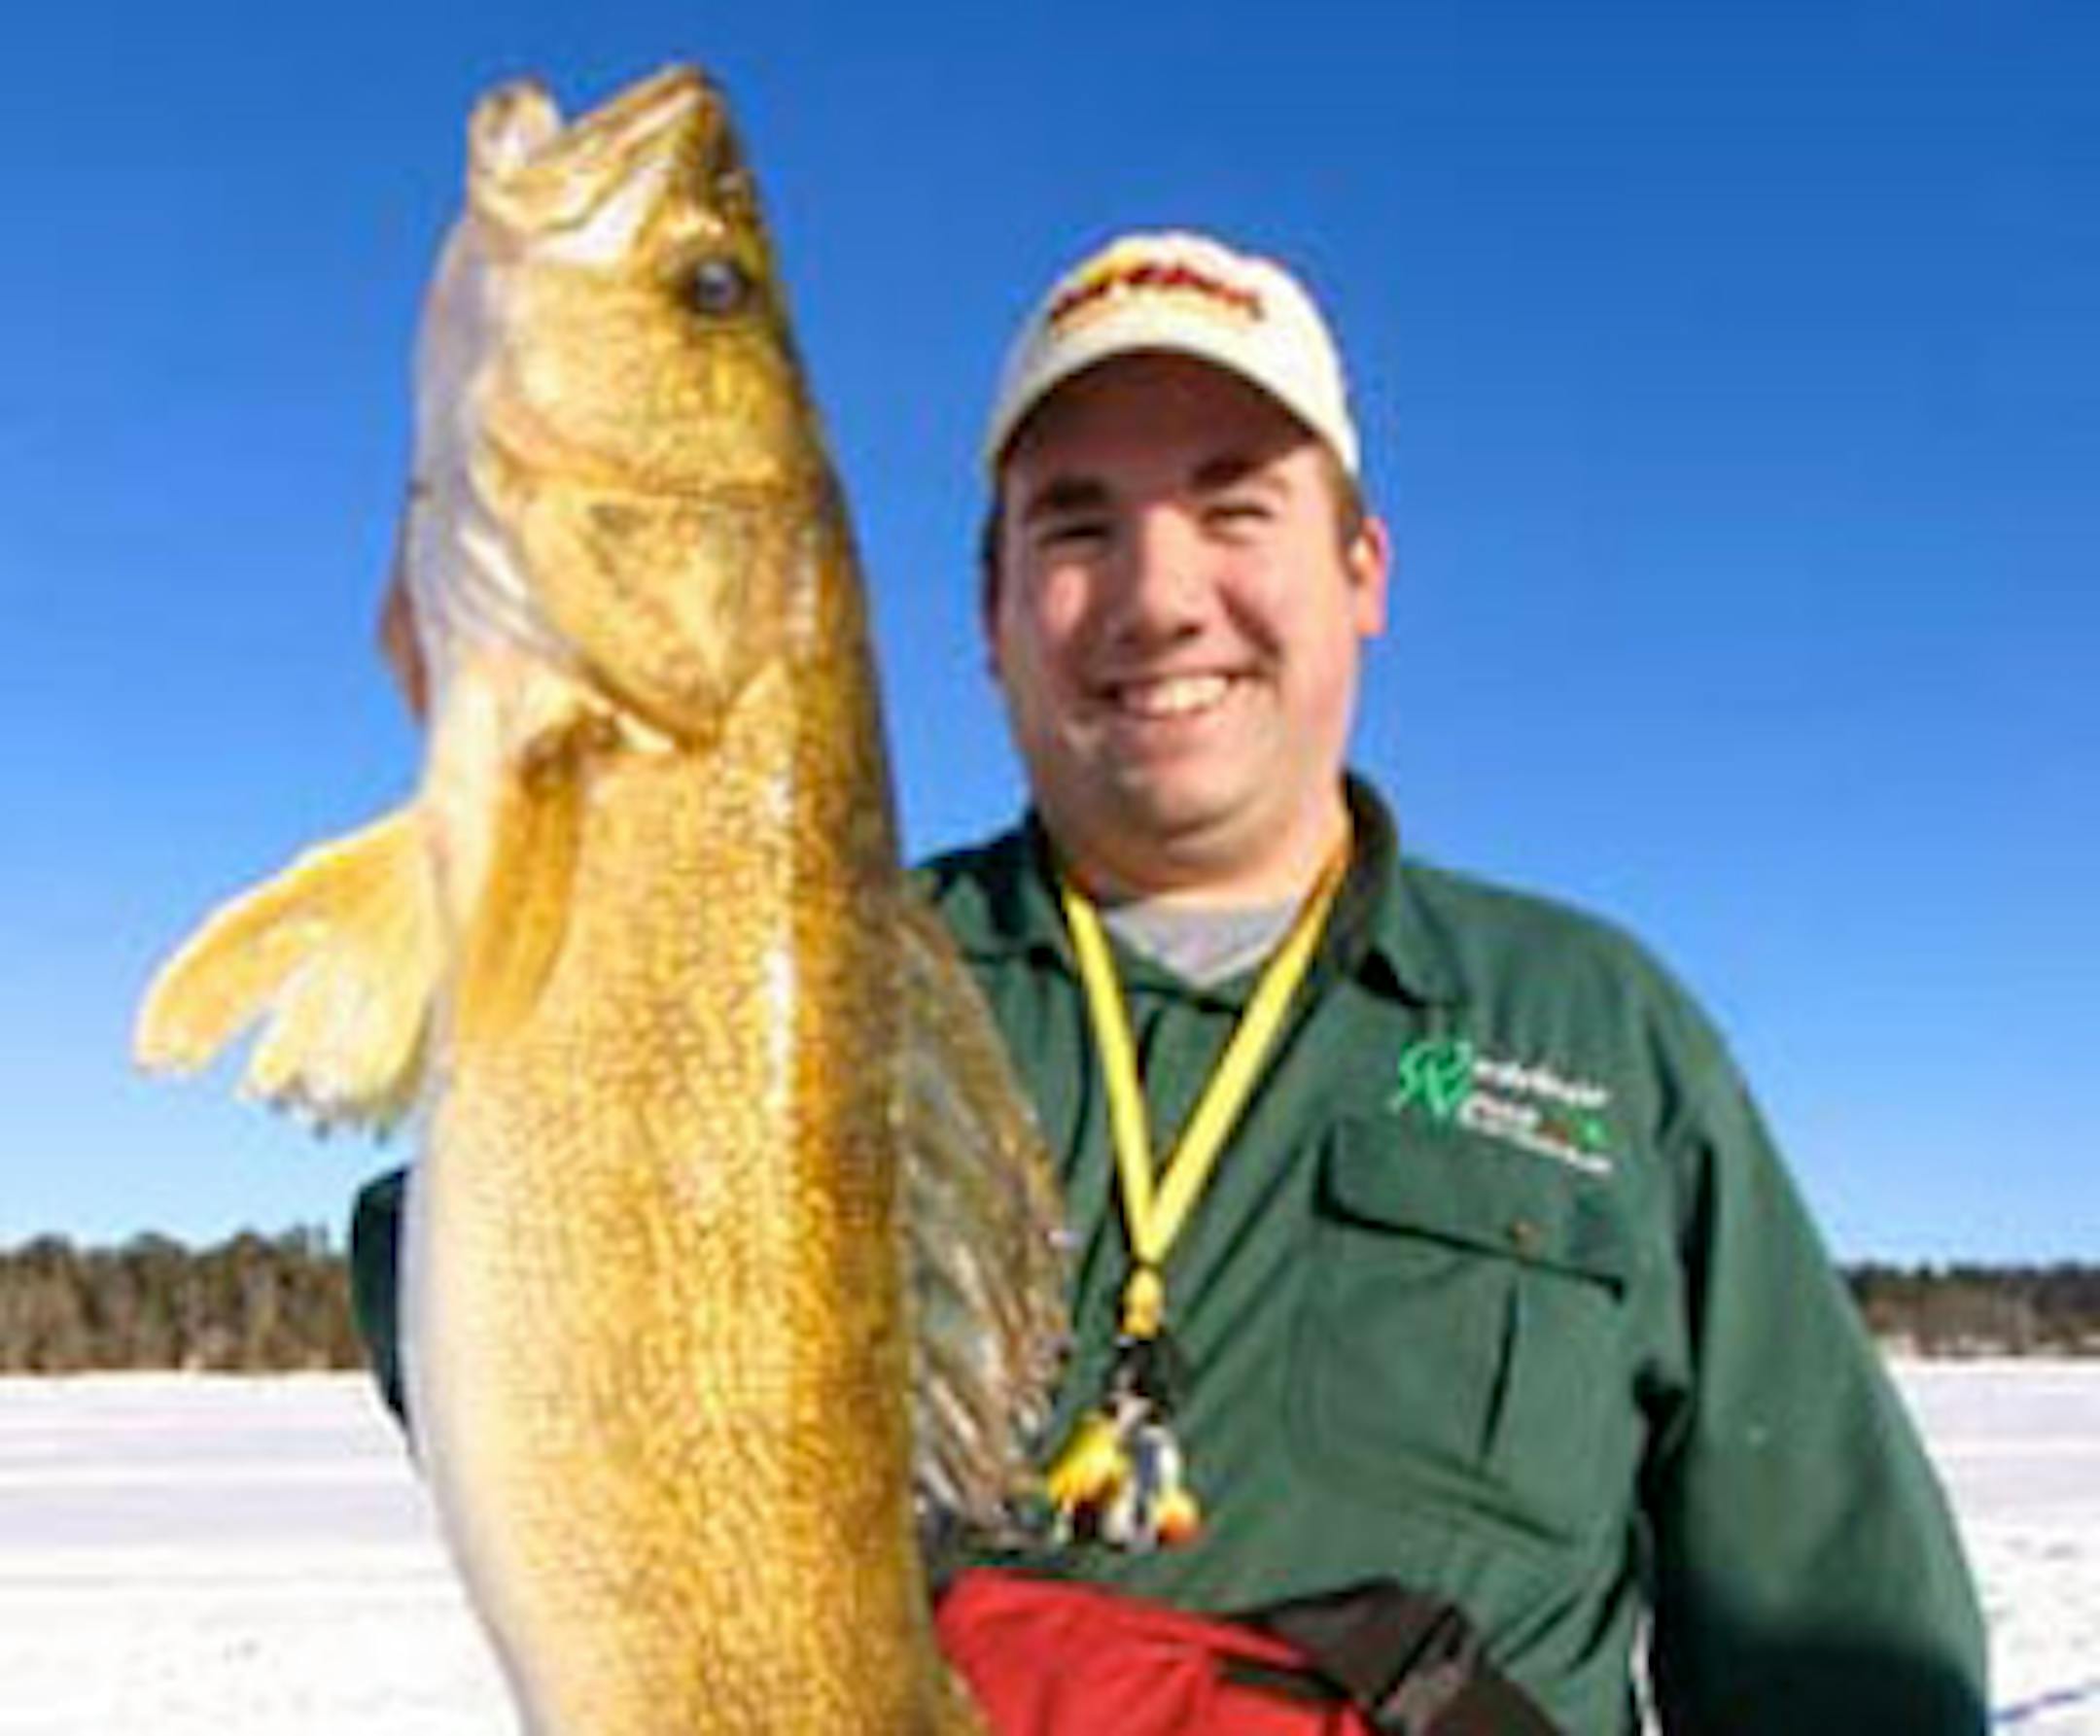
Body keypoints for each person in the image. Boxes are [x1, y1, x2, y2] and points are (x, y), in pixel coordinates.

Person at [350, 230, 1988, 1732]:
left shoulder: (1597, 1037)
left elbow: (1843, 1657)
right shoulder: (807, 987)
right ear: (989, 612)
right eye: (1076, 525)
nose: (1156, 593)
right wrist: (537, 852)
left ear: (1363, 571)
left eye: (1234, 503)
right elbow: (513, 1331)